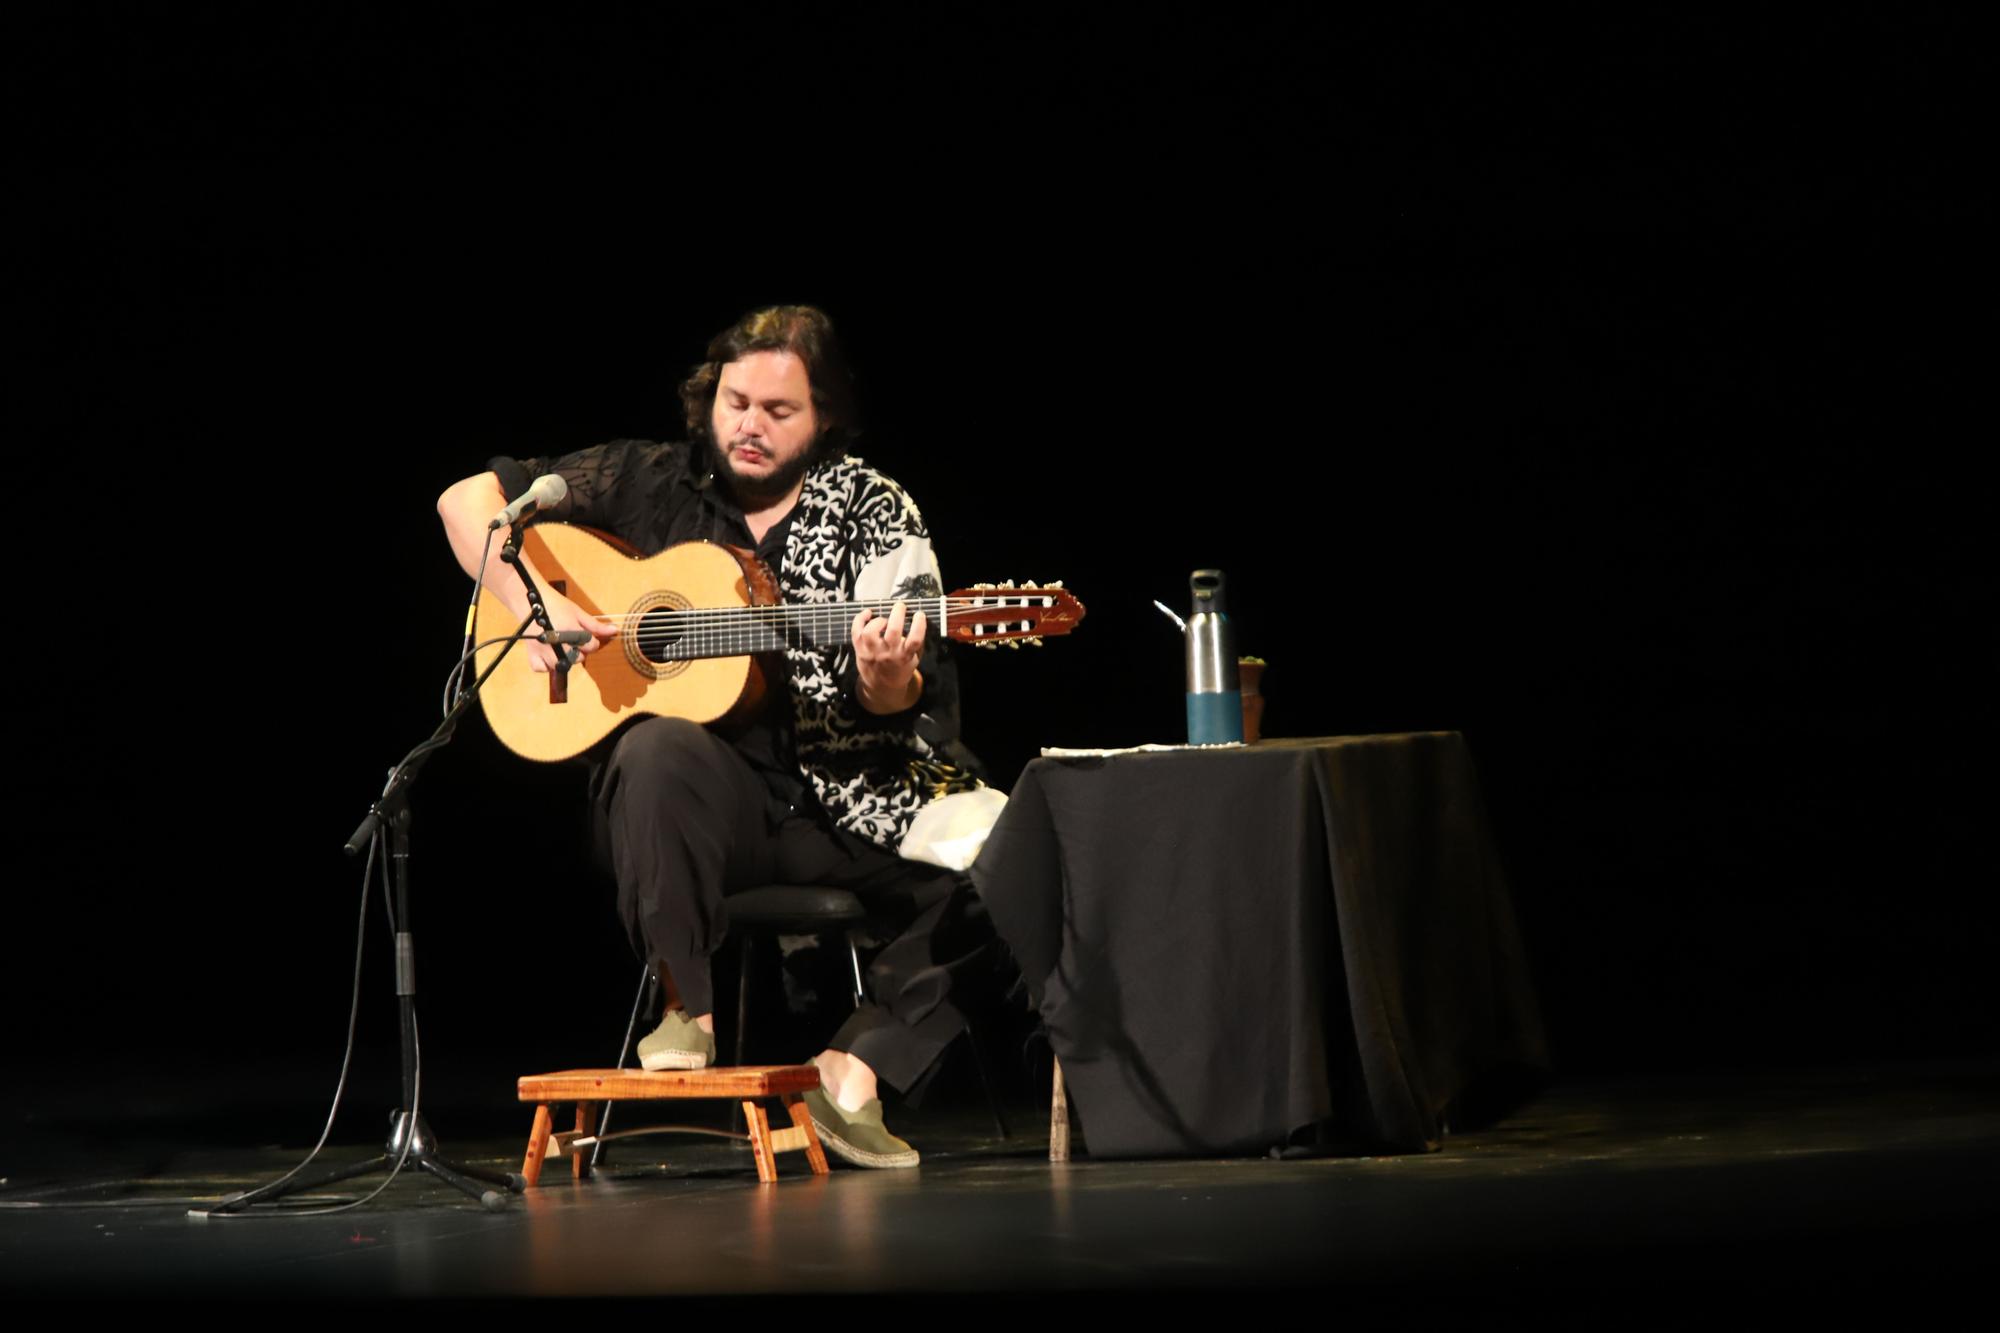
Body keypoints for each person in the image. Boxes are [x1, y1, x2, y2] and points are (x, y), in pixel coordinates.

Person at [437, 306, 998, 1168]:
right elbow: (466, 501)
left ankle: (848, 1073)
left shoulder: (874, 510)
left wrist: (890, 686)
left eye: (780, 411)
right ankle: (684, 1013)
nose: (750, 426)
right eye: (737, 402)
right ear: (711, 398)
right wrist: (535, 607)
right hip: (699, 821)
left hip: (842, 806)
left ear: (824, 419)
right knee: (657, 746)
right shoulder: (649, 478)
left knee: (1016, 850)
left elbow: (918, 707)